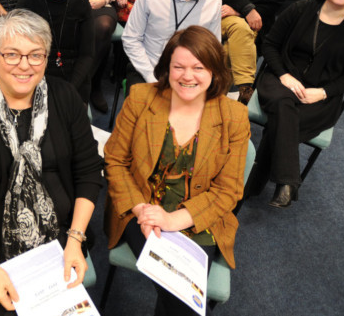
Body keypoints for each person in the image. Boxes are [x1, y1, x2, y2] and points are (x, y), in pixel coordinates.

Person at [0, 9, 104, 316]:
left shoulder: (65, 97)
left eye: (35, 55)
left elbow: (89, 172)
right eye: (12, 54)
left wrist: (76, 239)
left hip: (62, 235)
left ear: (47, 56)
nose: (24, 66)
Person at [105, 26, 250, 316]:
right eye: (179, 66)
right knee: (181, 298)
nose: (187, 76)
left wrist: (173, 220)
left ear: (215, 72)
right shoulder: (140, 98)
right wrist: (142, 211)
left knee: (182, 295)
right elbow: (115, 160)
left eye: (199, 67)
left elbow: (228, 191)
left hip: (199, 216)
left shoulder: (234, 116)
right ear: (166, 68)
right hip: (141, 208)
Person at [250, 0, 344, 208]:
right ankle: (287, 180)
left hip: (320, 94)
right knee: (284, 105)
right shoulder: (300, 9)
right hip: (279, 78)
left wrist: (323, 92)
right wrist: (284, 75)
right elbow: (271, 44)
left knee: (282, 120)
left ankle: (254, 183)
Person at [17, 0, 94, 103]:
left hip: (74, 76)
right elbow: (19, 52)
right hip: (36, 73)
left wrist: (70, 88)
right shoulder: (27, 4)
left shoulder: (82, 4)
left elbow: (87, 55)